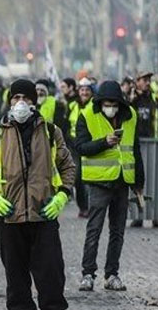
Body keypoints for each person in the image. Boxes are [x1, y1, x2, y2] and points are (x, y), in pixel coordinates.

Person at [0, 79, 75, 310]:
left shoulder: (50, 131)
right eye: (16, 98)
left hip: (43, 215)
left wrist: (62, 195)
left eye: (26, 98)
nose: (21, 103)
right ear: (9, 101)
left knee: (51, 279)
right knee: (16, 284)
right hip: (10, 217)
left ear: (34, 102)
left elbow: (68, 166)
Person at [75, 80, 145, 293]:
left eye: (114, 104)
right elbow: (81, 147)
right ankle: (88, 274)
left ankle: (112, 274)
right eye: (106, 104)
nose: (110, 107)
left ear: (120, 104)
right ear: (100, 103)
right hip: (99, 182)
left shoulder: (130, 116)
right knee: (94, 230)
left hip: (122, 181)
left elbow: (135, 149)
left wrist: (139, 183)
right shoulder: (87, 115)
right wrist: (104, 142)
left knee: (118, 232)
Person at [129, 72, 158, 228]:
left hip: (153, 148)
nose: (148, 82)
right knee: (137, 183)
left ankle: (157, 217)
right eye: (144, 80)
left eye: (149, 80)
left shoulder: (154, 100)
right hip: (133, 148)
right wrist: (132, 98)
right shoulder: (129, 100)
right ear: (137, 82)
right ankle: (138, 216)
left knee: (157, 182)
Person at [68, 78, 94, 218]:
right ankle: (83, 207)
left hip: (89, 145)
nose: (84, 93)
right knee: (77, 178)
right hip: (74, 146)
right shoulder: (72, 106)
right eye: (82, 90)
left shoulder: (95, 106)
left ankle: (91, 207)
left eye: (87, 90)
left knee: (90, 179)